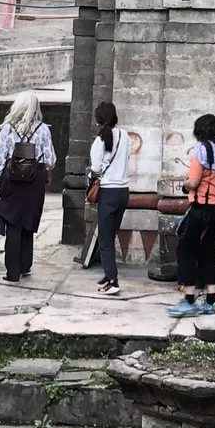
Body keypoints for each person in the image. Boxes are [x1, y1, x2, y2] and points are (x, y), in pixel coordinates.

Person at [167, 114, 215, 318]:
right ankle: (211, 301)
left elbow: (194, 182)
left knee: (186, 250)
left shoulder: (200, 151)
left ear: (198, 132)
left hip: (202, 209)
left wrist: (186, 185)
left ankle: (189, 300)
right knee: (207, 252)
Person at [0, 92, 56, 283]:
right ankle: (25, 264)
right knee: (28, 220)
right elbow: (49, 158)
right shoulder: (43, 129)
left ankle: (13, 271)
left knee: (13, 223)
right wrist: (48, 175)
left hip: (11, 179)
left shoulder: (7, 129)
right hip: (35, 180)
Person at [89, 101, 130, 297]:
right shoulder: (125, 136)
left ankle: (113, 281)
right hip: (123, 191)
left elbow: (96, 168)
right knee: (110, 235)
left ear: (98, 120)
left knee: (105, 239)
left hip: (107, 192)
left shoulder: (99, 142)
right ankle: (108, 274)